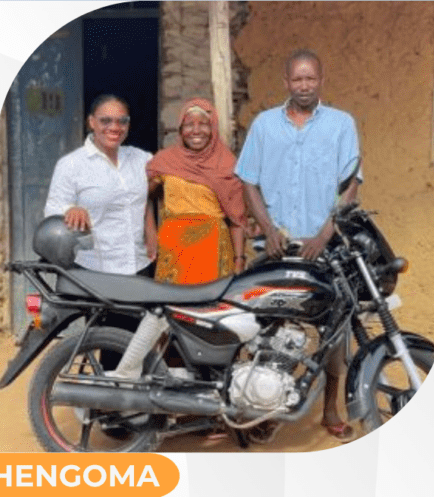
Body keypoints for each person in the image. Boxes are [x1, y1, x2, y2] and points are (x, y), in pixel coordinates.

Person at [235, 49, 362, 442]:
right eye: (297, 79)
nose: (304, 86)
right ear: (286, 82)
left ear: (320, 80)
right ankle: (268, 407)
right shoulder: (264, 125)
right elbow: (248, 180)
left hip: (325, 248)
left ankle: (330, 409)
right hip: (276, 248)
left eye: (310, 78)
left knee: (333, 330)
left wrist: (325, 234)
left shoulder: (341, 124)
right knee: (270, 329)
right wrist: (268, 229)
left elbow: (351, 185)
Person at [43, 94, 155, 276]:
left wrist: (152, 233)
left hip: (138, 265)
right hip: (94, 269)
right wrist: (70, 209)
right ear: (92, 122)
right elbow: (53, 210)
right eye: (106, 121)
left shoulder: (141, 159)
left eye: (122, 121)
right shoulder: (71, 164)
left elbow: (150, 194)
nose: (115, 127)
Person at [145, 98, 247, 284]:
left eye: (204, 124)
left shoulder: (226, 164)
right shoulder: (165, 161)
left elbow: (237, 219)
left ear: (213, 128)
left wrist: (239, 260)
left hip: (212, 250)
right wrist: (150, 232)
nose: (196, 130)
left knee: (208, 301)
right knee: (172, 300)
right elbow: (140, 197)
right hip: (173, 250)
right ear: (180, 129)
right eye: (189, 124)